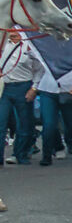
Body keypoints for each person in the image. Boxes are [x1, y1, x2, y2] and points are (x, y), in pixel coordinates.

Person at [33, 57, 72, 165]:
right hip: (47, 90)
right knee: (48, 124)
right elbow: (39, 70)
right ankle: (47, 155)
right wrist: (35, 87)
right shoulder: (45, 52)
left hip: (68, 91)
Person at [1, 29, 42, 165]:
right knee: (1, 124)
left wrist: (34, 88)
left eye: (17, 31)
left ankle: (21, 153)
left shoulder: (30, 47)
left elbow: (39, 69)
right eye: (11, 31)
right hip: (4, 88)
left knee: (24, 124)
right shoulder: (2, 45)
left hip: (24, 87)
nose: (13, 33)